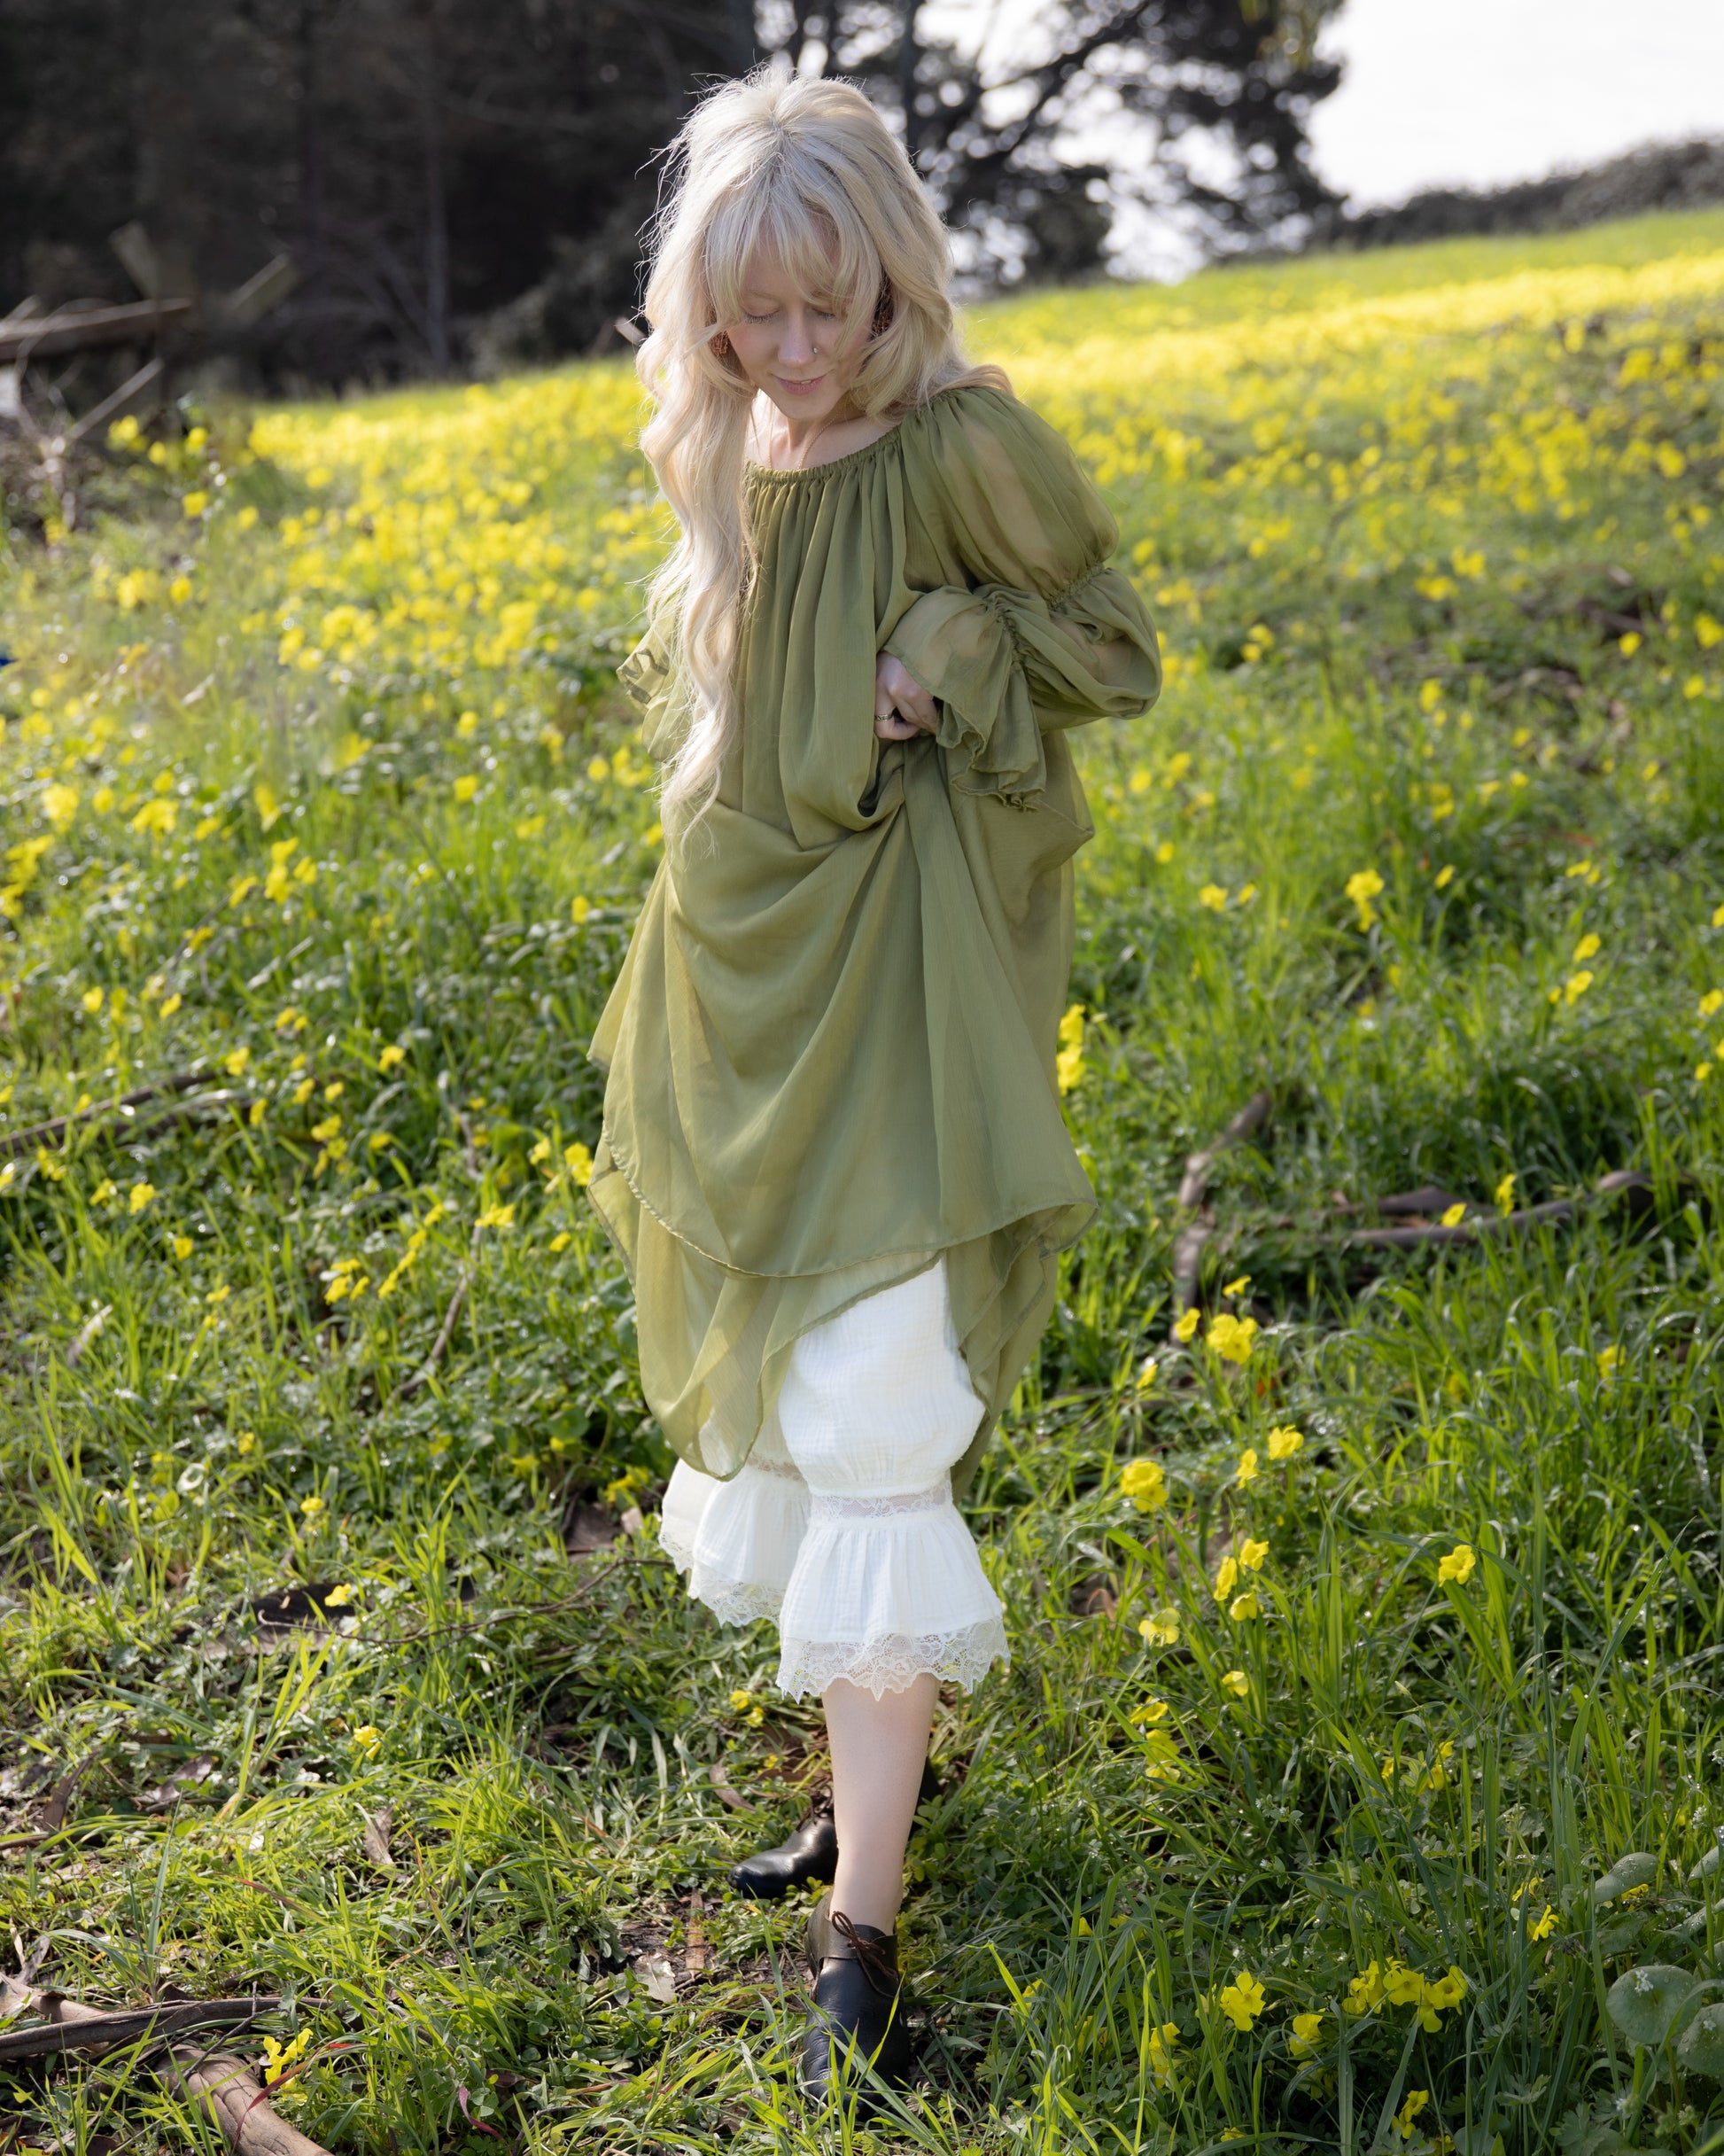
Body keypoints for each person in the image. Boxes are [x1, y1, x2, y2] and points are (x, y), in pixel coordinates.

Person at [584, 66, 1161, 2102]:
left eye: (829, 305)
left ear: (887, 279)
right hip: (745, 976)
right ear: (709, 307)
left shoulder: (956, 439)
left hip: (904, 995)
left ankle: (863, 1941)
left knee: (876, 1412)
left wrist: (951, 653)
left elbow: (1111, 638)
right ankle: (856, 1798)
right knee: (797, 1402)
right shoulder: (733, 430)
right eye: (756, 313)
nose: (796, 350)